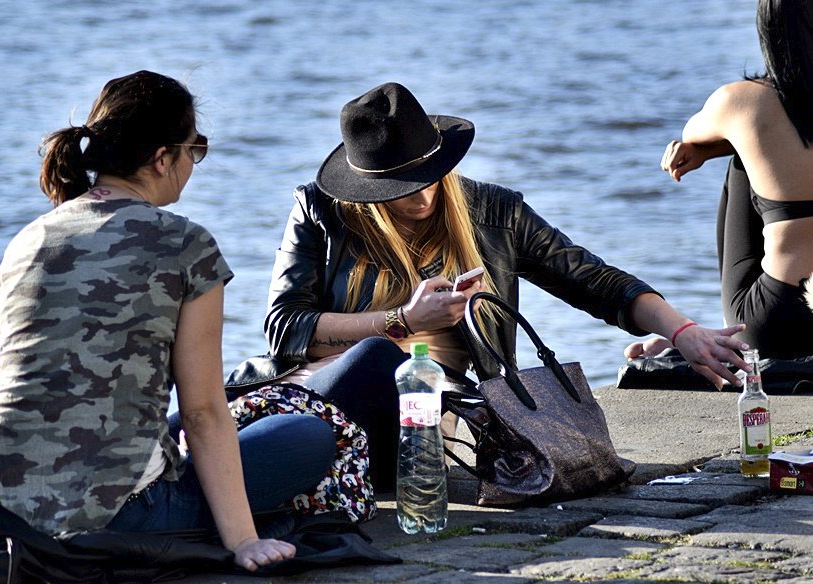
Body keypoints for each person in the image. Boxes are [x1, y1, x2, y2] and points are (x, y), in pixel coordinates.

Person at [229, 81, 751, 490]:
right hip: (316, 388)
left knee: (382, 362)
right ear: (365, 189)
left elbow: (596, 281)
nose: (423, 197)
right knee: (225, 406)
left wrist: (682, 331)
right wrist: (402, 322)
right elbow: (285, 329)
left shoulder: (494, 211)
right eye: (400, 188)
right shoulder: (320, 211)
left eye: (431, 174)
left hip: (426, 418)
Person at [0, 70, 337, 574]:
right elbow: (201, 412)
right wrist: (242, 541)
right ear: (161, 158)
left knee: (210, 419)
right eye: (192, 150)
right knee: (308, 436)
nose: (193, 164)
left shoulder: (28, 240)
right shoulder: (184, 244)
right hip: (110, 517)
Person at [655, 0, 813, 359]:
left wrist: (713, 149)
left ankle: (725, 332)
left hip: (776, 320)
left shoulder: (744, 102)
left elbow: (692, 133)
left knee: (744, 153)